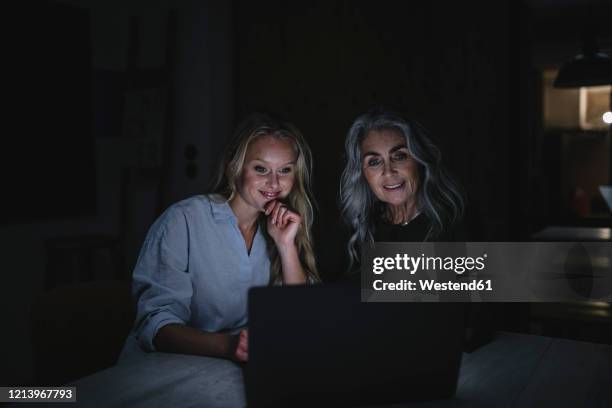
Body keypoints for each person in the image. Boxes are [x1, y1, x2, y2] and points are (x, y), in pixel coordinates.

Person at [119, 113, 319, 364]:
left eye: (285, 170)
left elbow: (301, 313)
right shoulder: (183, 220)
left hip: (241, 368)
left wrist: (286, 245)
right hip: (167, 369)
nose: (274, 182)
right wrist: (228, 345)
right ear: (234, 166)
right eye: (260, 168)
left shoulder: (282, 228)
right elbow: (156, 326)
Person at [340, 108, 466, 269]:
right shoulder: (356, 234)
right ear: (362, 174)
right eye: (374, 162)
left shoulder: (457, 224)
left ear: (419, 160)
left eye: (399, 156)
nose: (388, 171)